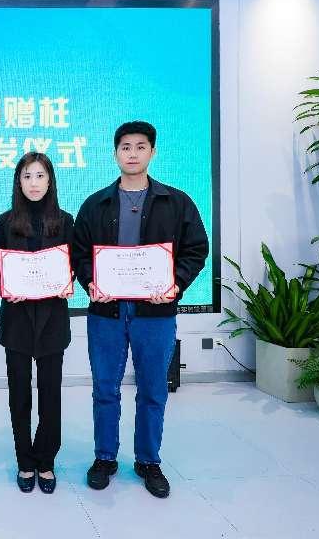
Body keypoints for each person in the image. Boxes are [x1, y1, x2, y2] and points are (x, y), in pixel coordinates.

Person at [72, 121, 208, 499]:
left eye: (140, 147)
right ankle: (105, 458)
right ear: (115, 153)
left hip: (155, 314)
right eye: (125, 147)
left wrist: (176, 284)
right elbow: (79, 252)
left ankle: (148, 461)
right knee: (105, 388)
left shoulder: (176, 202)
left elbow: (196, 249)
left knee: (152, 390)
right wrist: (90, 282)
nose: (132, 154)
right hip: (107, 313)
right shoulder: (96, 203)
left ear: (152, 152)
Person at [0, 152, 74, 494]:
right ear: (18, 182)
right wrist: (5, 288)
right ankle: (24, 460)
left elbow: (74, 264)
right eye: (27, 176)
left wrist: (68, 280)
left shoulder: (66, 221)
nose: (34, 183)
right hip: (17, 319)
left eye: (40, 175)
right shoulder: (4, 222)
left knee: (50, 395)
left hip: (53, 319)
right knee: (19, 395)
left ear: (50, 180)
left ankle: (46, 460)